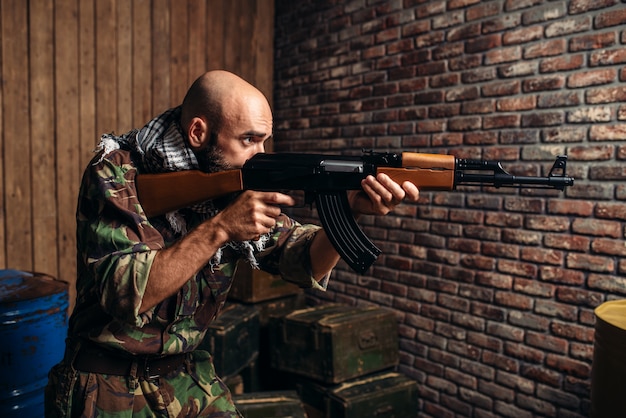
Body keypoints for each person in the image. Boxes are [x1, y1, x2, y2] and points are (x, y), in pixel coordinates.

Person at [45, 70, 419, 417]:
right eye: (249, 140)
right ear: (197, 132)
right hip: (104, 385)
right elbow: (126, 293)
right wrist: (220, 228)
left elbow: (303, 260)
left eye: (264, 140)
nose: (261, 154)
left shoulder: (235, 181)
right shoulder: (116, 172)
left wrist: (349, 213)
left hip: (183, 378)